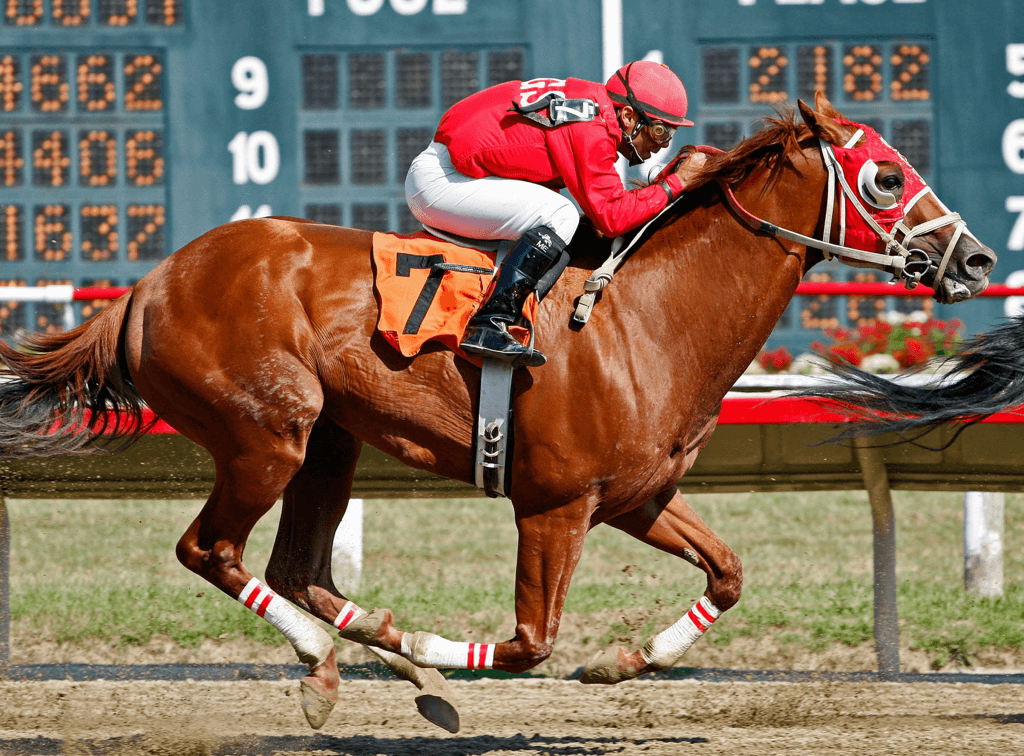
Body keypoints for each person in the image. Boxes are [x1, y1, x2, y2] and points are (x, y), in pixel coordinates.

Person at [405, 60, 707, 367]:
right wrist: (676, 183)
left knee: (559, 218)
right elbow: (613, 218)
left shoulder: (593, 106)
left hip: (451, 167)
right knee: (561, 214)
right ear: (628, 116)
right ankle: (489, 322)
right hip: (442, 181)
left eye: (669, 135)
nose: (661, 146)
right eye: (658, 131)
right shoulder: (592, 128)